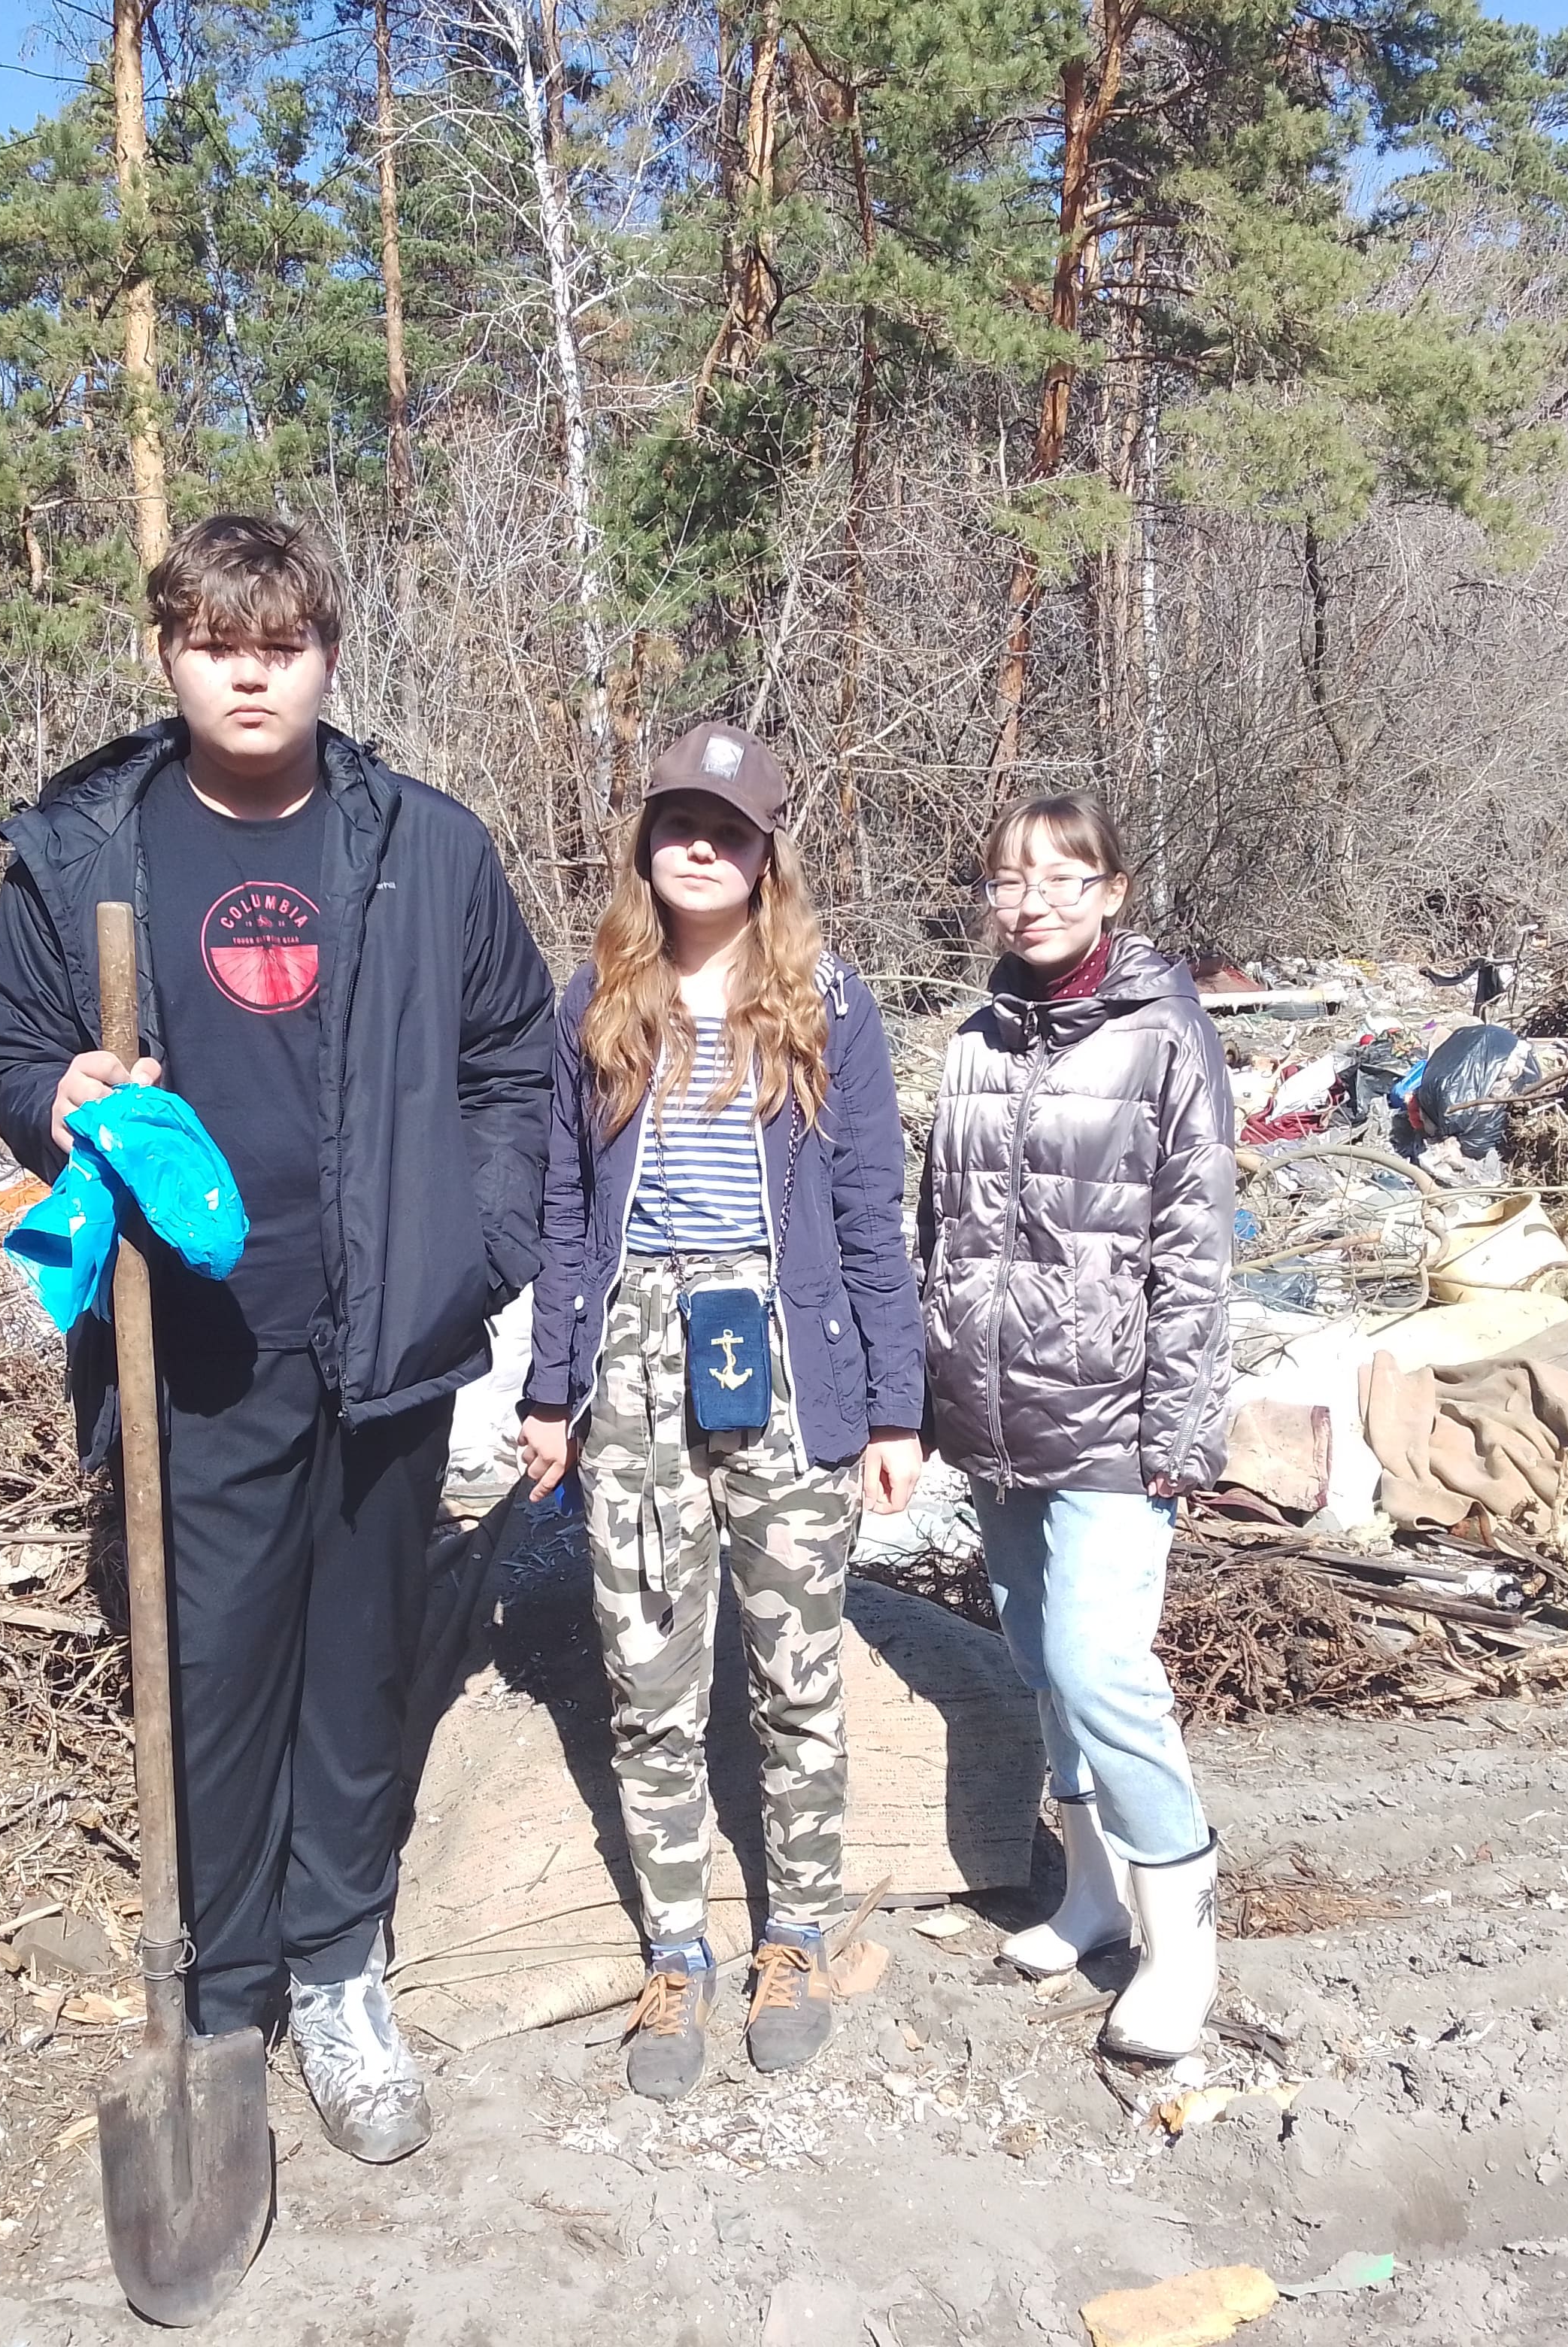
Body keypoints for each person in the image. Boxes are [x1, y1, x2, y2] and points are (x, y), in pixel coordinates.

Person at [0, 513, 553, 2163]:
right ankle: (225, 1996)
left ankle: (339, 1967)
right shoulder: (85, 847)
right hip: (190, 1345)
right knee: (216, 1667)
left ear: (327, 658)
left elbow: (514, 1062)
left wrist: (476, 1254)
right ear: (167, 654)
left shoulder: (425, 845)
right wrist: (56, 1095)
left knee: (360, 1669)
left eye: (281, 647)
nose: (250, 676)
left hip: (384, 1330)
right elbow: (15, 1052)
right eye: (216, 646)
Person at [516, 723, 925, 2103]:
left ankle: (795, 1936)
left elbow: (870, 1214)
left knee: (797, 1670)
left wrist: (893, 1409)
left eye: (730, 830)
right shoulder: (598, 1001)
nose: (702, 847)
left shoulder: (830, 1002)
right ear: (648, 842)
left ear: (766, 855)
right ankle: (677, 1950)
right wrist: (552, 1391)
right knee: (648, 1676)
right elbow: (566, 1212)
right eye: (680, 824)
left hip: (787, 1350)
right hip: (633, 1355)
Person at [917, 791, 1235, 2061]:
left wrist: (1181, 1429)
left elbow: (1196, 1249)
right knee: (1044, 1664)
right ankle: (1095, 1892)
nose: (1033, 900)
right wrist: (931, 1390)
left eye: (1063, 877)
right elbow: (941, 1228)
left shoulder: (1165, 1036)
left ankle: (1182, 1947)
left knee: (1105, 1667)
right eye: (1010, 879)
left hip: (1114, 1414)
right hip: (997, 1411)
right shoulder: (976, 1040)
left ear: (1111, 892)